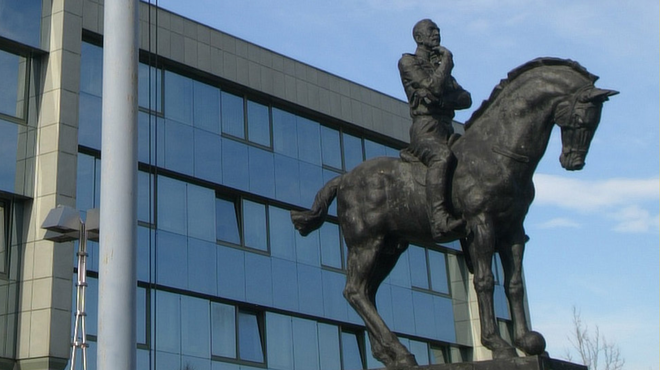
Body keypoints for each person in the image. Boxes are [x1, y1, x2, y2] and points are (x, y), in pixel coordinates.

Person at [398, 19, 472, 240]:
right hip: (426, 129)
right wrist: (447, 63)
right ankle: (438, 219)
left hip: (448, 130)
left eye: (438, 30)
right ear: (419, 38)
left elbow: (466, 99)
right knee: (441, 157)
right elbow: (434, 87)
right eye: (431, 30)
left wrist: (438, 100)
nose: (437, 34)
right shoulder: (408, 62)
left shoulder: (438, 66)